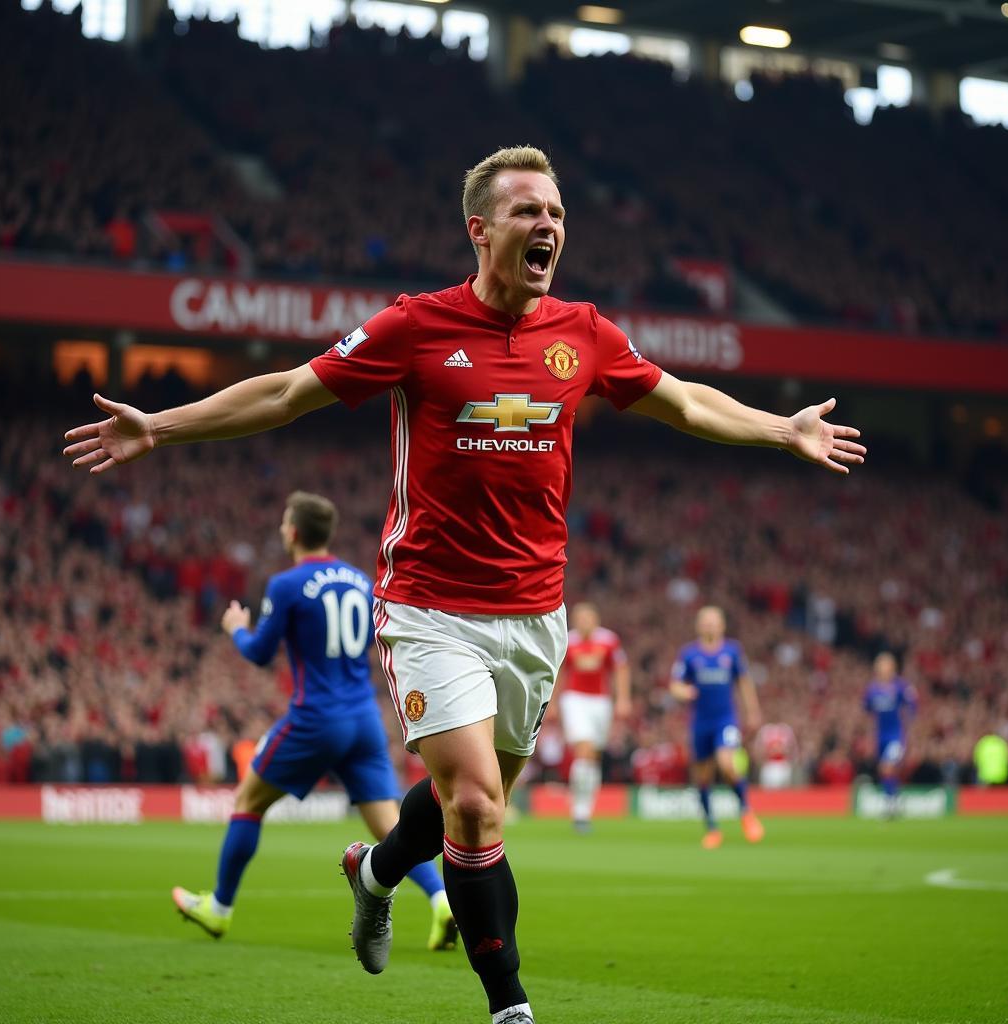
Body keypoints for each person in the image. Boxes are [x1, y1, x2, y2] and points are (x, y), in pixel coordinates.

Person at [64, 144, 865, 1024]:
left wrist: (779, 429)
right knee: (478, 808)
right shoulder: (415, 326)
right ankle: (511, 1008)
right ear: (479, 229)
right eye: (529, 211)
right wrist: (162, 427)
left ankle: (372, 873)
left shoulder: (585, 333)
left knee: (464, 804)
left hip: (535, 617)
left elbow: (684, 401)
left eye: (557, 213)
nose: (548, 226)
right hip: (428, 610)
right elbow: (289, 393)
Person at [170, 490, 455, 953]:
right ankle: (442, 899)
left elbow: (260, 654)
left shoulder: (286, 585)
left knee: (248, 800)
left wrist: (235, 628)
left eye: (285, 523)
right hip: (363, 717)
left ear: (294, 531)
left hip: (316, 718)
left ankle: (218, 909)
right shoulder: (361, 580)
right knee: (387, 822)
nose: (283, 530)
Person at [670, 605, 764, 849]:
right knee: (703, 776)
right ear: (698, 626)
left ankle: (746, 812)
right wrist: (684, 691)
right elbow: (675, 684)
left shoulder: (732, 652)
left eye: (714, 621)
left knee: (727, 763)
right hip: (700, 722)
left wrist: (752, 710)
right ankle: (712, 828)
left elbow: (744, 681)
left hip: (726, 719)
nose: (709, 625)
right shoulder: (689, 654)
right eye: (705, 621)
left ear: (722, 625)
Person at [556, 601, 631, 831]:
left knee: (593, 756)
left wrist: (623, 699)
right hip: (575, 699)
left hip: (601, 702)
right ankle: (579, 812)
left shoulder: (608, 641)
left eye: (588, 618)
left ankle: (585, 808)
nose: (584, 622)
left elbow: (620, 669)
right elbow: (560, 672)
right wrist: (552, 703)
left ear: (595, 619)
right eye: (580, 618)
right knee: (584, 749)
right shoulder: (568, 640)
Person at [863, 652, 917, 816]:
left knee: (887, 767)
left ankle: (890, 804)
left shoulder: (900, 686)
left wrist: (910, 725)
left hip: (896, 735)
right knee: (884, 769)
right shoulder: (872, 689)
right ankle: (894, 799)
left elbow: (913, 704)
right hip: (880, 736)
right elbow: (867, 709)